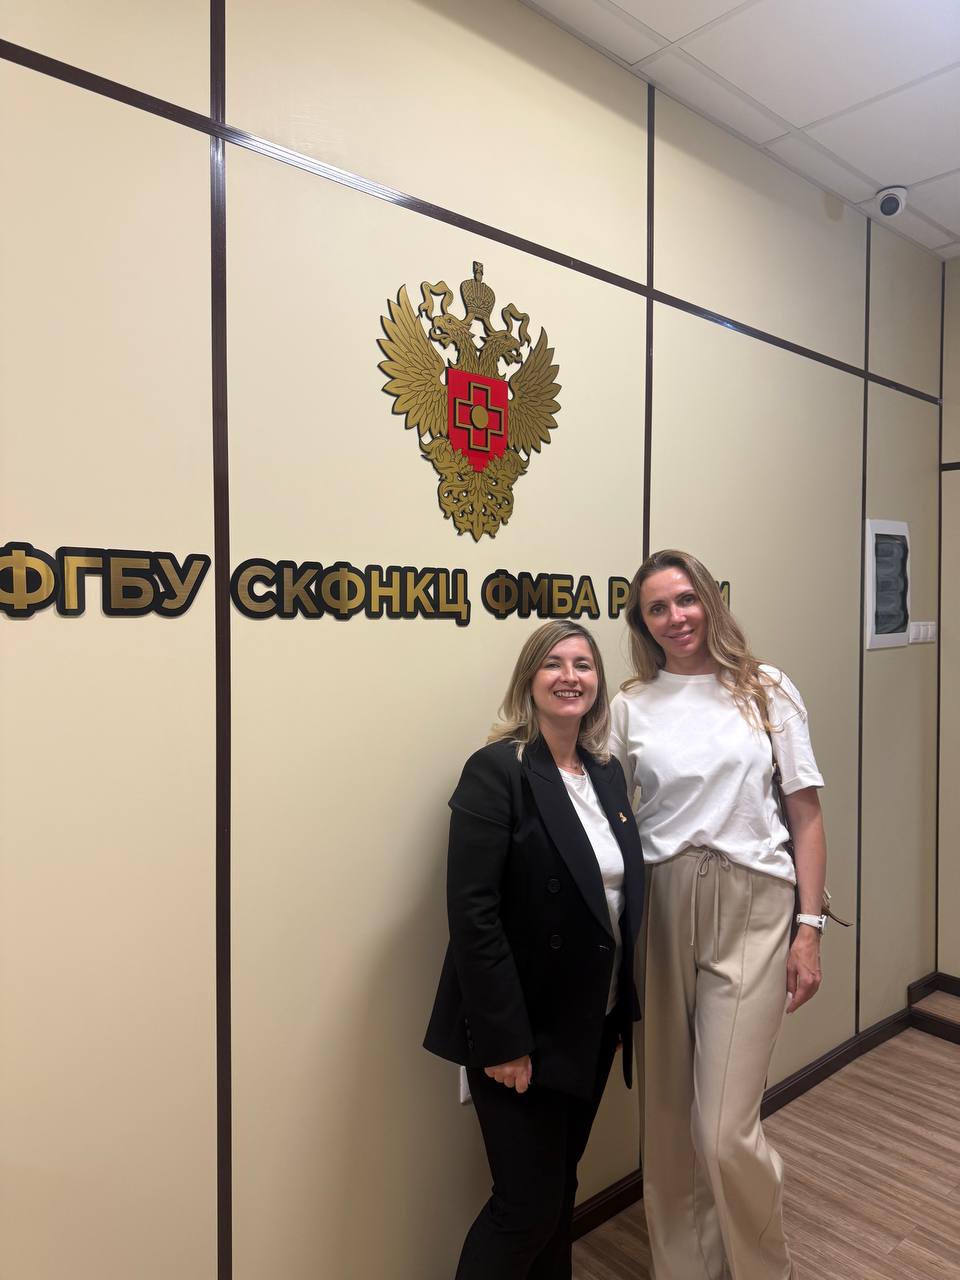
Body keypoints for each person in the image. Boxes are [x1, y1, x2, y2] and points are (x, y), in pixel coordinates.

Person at [609, 549, 827, 1280]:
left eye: (685, 600)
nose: (676, 618)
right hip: (661, 904)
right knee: (670, 1123)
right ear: (643, 624)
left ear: (709, 599)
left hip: (753, 905)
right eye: (657, 609)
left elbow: (807, 816)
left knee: (724, 1130)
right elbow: (604, 811)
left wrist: (809, 930)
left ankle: (764, 1268)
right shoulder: (632, 706)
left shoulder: (766, 689)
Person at [424, 620, 645, 1280]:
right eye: (554, 664)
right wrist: (503, 1040)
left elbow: (613, 903)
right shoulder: (497, 771)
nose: (570, 677)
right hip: (522, 1031)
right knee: (524, 1208)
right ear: (529, 680)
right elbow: (473, 915)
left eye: (583, 664)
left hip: (590, 1025)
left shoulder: (605, 774)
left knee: (558, 1193)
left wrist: (619, 1014)